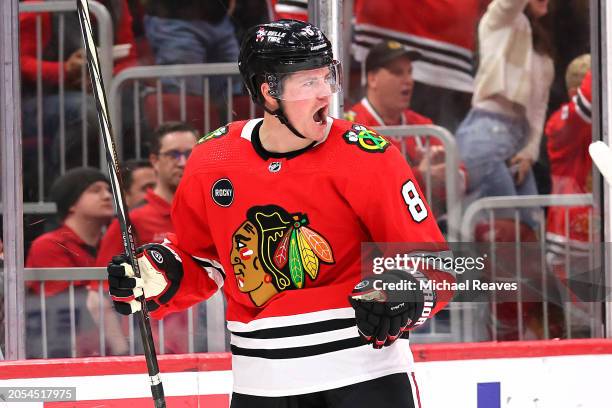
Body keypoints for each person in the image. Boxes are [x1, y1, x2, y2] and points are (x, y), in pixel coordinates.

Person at [106, 20, 454, 406]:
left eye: (328, 76)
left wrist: (406, 290)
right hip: (262, 386)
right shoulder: (212, 159)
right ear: (268, 92)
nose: (325, 94)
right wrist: (156, 276)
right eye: (308, 82)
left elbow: (436, 263)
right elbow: (203, 260)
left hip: (365, 377)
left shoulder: (368, 156)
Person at [92, 122, 198, 354]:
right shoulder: (133, 220)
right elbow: (99, 290)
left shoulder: (206, 212)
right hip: (148, 346)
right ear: (154, 161)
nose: (182, 162)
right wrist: (123, 350)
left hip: (206, 343)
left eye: (190, 153)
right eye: (173, 154)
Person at [19, 0, 138, 198]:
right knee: (87, 110)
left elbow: (130, 56)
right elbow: (18, 62)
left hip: (97, 88)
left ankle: (132, 193)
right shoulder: (38, 6)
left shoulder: (117, 4)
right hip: (37, 100)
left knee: (131, 104)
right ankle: (68, 197)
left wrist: (103, 78)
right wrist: (64, 70)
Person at [455, 0, 554, 219]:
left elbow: (538, 112)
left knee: (530, 229)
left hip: (517, 142)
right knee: (505, 231)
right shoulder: (498, 18)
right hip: (485, 133)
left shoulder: (544, 56)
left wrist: (529, 153)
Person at [346, 40, 467, 218]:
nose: (408, 80)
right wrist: (419, 176)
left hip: (419, 234)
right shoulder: (351, 125)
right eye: (397, 72)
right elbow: (361, 186)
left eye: (410, 72)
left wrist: (446, 174)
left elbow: (462, 176)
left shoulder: (422, 125)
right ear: (372, 79)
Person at [25, 168, 116, 356]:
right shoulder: (48, 245)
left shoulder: (110, 243)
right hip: (57, 351)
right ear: (71, 203)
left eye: (108, 190)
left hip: (100, 350)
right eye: (95, 190)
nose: (107, 196)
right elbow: (75, 302)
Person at [545, 59, 594, 338]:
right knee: (584, 330)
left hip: (597, 238)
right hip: (570, 241)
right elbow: (587, 102)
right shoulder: (561, 121)